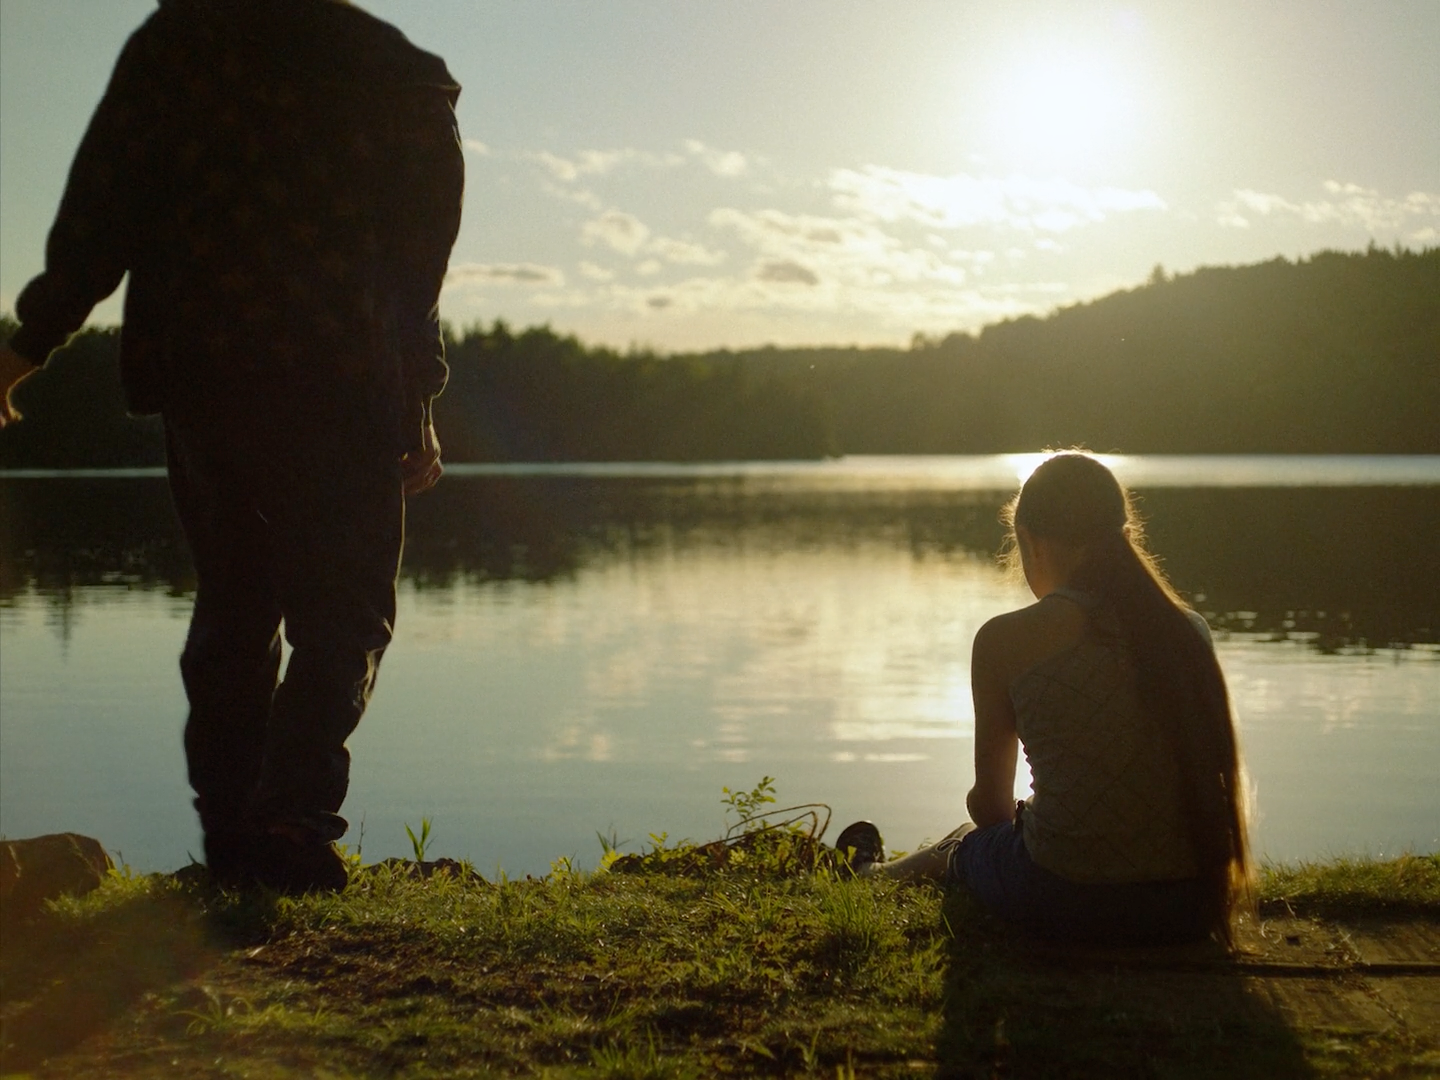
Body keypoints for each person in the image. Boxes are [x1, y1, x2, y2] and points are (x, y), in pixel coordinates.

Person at [0, 0, 464, 893]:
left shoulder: (179, 45)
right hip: (343, 377)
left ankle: (235, 835)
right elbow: (418, 263)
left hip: (211, 371)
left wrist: (26, 349)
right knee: (343, 618)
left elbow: (103, 214)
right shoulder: (398, 72)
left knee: (238, 604)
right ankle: (287, 822)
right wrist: (415, 398)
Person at [838, 452, 1253, 947]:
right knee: (992, 837)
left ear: (1032, 541)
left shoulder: (1003, 640)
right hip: (1187, 905)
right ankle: (875, 870)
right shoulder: (1188, 631)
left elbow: (990, 808)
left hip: (1065, 897)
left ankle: (868, 874)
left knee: (966, 843)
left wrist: (1027, 812)